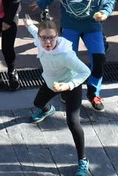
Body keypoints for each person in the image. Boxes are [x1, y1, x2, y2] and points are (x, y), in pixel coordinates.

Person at [35, 0, 114, 110]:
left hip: (92, 26)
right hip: (70, 25)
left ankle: (93, 93)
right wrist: (42, 2)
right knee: (69, 59)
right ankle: (67, 90)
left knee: (99, 60)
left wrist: (105, 13)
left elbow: (111, 0)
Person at [22, 14, 93, 176]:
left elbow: (85, 71)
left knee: (73, 122)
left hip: (70, 86)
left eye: (51, 38)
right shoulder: (39, 40)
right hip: (51, 83)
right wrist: (29, 24)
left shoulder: (66, 55)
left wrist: (68, 85)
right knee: (38, 103)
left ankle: (83, 160)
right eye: (44, 38)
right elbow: (34, 31)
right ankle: (48, 110)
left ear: (57, 36)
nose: (48, 42)